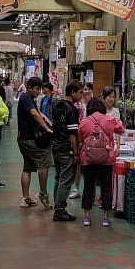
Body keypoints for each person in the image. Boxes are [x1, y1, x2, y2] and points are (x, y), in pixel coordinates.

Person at [78, 97, 124, 227]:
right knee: (106, 188)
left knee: (88, 187)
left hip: (88, 159)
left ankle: (87, 217)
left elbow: (80, 136)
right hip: (106, 159)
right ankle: (105, 218)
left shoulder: (85, 121)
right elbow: (121, 130)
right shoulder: (109, 119)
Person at [16, 76, 53, 209]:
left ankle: (25, 199)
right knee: (44, 161)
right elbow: (34, 113)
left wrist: (49, 122)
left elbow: (39, 113)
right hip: (29, 139)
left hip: (23, 139)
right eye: (37, 89)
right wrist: (46, 128)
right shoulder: (26, 97)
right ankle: (43, 193)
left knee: (28, 167)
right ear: (29, 88)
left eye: (40, 89)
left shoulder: (30, 98)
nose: (39, 92)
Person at [50, 81, 82, 223]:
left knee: (58, 178)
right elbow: (72, 133)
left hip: (55, 146)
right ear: (73, 92)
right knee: (65, 180)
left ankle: (57, 207)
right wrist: (75, 152)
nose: (81, 95)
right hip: (66, 148)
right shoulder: (71, 109)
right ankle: (60, 210)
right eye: (80, 92)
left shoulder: (57, 105)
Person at [68, 82, 89, 200]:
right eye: (82, 91)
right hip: (78, 137)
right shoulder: (75, 106)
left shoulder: (89, 104)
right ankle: (76, 188)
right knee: (78, 164)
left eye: (87, 90)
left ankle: (87, 189)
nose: (85, 92)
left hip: (87, 136)